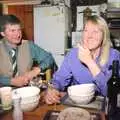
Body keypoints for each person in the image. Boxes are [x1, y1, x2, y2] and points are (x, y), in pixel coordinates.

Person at [44, 15, 120, 104]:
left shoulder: (114, 56)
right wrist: (52, 89)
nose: (89, 36)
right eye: (86, 30)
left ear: (104, 36)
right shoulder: (73, 54)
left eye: (95, 31)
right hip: (77, 104)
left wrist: (90, 62)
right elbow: (59, 79)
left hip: (105, 107)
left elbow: (112, 94)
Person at [0, 14, 57, 87]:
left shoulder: (29, 45)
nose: (18, 35)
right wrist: (10, 81)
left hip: (26, 91)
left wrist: (35, 71)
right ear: (2, 33)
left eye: (19, 30)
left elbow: (49, 58)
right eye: (12, 30)